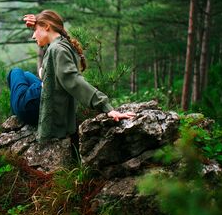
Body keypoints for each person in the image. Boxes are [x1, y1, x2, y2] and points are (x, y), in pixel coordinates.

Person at [8, 9, 135, 140]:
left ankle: (19, 113)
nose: (33, 36)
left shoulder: (58, 49)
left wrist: (106, 107)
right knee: (27, 74)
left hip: (35, 107)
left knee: (15, 72)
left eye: (35, 30)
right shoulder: (60, 45)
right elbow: (53, 58)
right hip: (42, 94)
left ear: (46, 26)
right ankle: (18, 108)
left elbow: (74, 81)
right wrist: (39, 21)